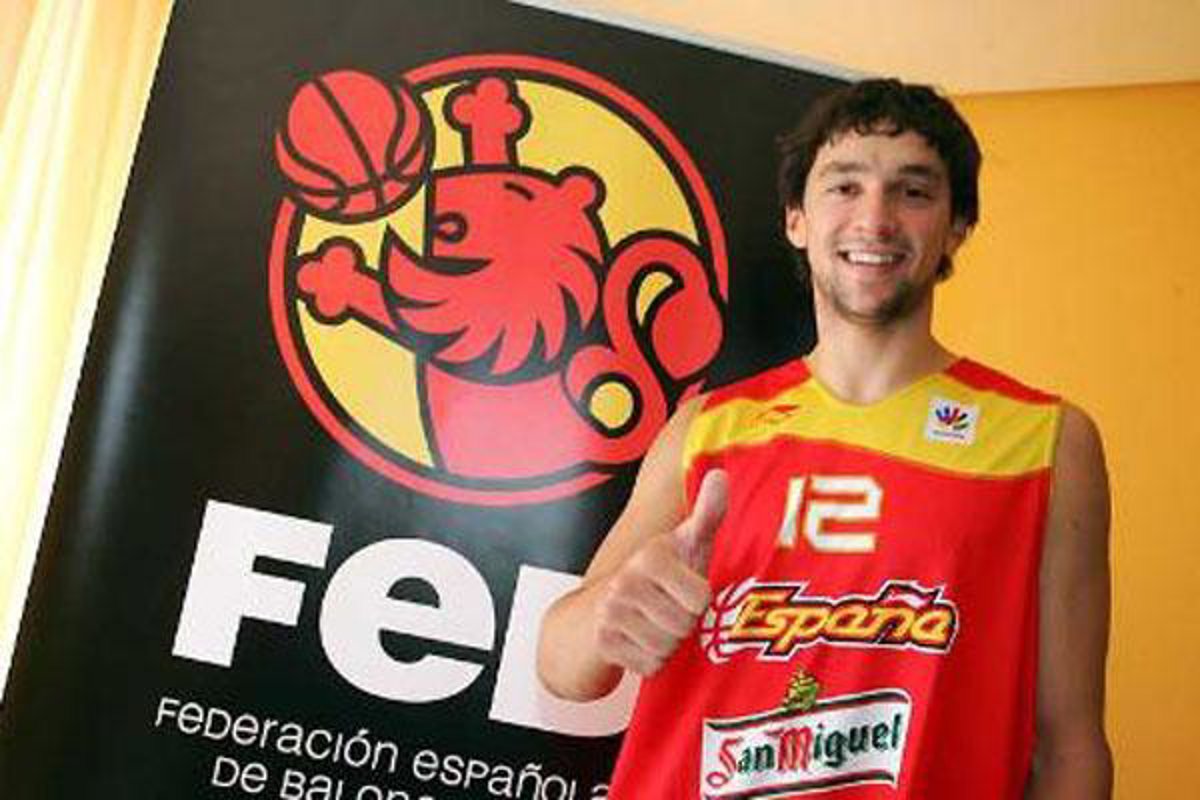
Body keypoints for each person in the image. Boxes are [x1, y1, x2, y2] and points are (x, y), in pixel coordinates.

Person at [537, 79, 1112, 799]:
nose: (875, 218)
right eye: (844, 187)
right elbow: (561, 666)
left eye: (912, 192)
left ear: (957, 228)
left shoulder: (1046, 442)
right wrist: (614, 611)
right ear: (796, 220)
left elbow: (1069, 747)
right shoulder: (706, 428)